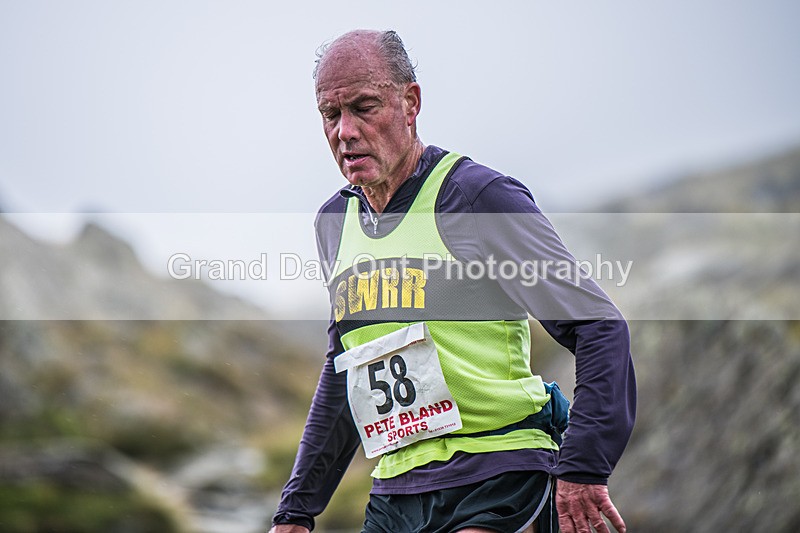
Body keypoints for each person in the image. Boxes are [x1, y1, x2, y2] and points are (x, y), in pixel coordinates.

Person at [270, 30, 636, 533]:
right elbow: (345, 372)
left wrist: (584, 466)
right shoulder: (334, 222)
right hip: (396, 491)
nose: (345, 131)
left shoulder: (477, 197)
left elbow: (599, 326)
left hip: (499, 474)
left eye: (364, 107)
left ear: (410, 102)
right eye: (331, 115)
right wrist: (295, 512)